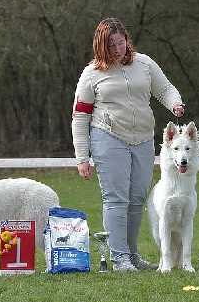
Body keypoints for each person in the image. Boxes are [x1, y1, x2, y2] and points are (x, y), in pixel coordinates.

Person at [72, 18, 185, 272]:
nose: (117, 49)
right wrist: (82, 157)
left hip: (143, 139)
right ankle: (119, 258)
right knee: (116, 199)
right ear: (100, 46)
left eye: (120, 42)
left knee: (137, 199)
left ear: (126, 40)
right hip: (108, 137)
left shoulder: (144, 63)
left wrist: (175, 103)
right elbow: (80, 117)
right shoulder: (92, 74)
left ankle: (133, 255)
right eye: (110, 45)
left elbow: (165, 89)